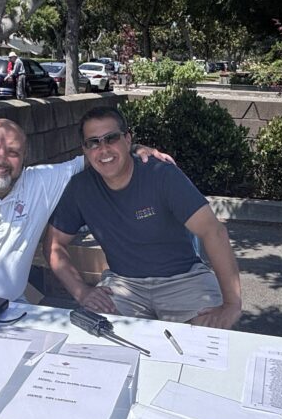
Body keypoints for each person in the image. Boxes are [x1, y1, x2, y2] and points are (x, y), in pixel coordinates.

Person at [0, 118, 171, 306]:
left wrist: (134, 148)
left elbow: (94, 158)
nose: (1, 159)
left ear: (25, 158)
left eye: (13, 152)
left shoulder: (39, 182)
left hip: (7, 311)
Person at [45, 106, 242, 330]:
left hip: (184, 280)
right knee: (95, 333)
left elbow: (213, 231)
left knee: (209, 339)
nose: (104, 149)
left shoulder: (161, 175)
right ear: (85, 149)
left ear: (128, 140)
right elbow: (53, 244)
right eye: (94, 142)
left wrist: (232, 303)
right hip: (124, 283)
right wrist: (81, 291)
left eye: (111, 138)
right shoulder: (81, 188)